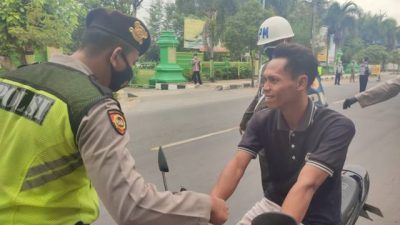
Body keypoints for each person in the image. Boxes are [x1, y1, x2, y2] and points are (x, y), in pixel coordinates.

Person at [0, 8, 228, 225]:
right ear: (116, 56)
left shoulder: (11, 78)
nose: (130, 74)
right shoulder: (91, 104)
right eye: (132, 64)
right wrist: (205, 206)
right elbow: (132, 207)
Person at [211, 43, 355, 225]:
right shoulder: (261, 120)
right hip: (272, 205)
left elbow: (307, 185)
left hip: (318, 217)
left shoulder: (336, 126)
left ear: (301, 83)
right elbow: (238, 164)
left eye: (274, 80)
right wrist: (210, 206)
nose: (265, 87)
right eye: (264, 80)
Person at [239, 16, 327, 134]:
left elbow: (268, 106)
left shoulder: (290, 68)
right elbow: (260, 96)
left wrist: (252, 126)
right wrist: (246, 118)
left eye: (273, 44)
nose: (268, 49)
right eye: (266, 45)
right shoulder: (306, 62)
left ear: (287, 40)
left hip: (294, 132)